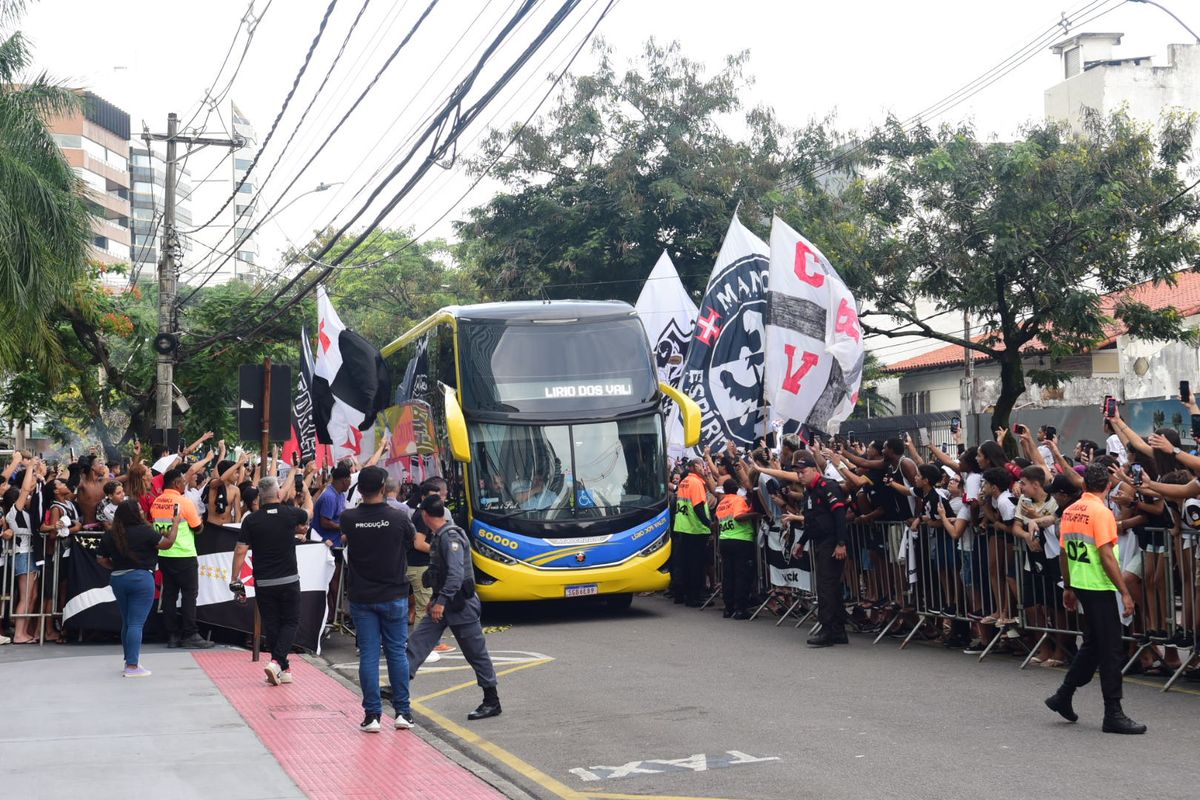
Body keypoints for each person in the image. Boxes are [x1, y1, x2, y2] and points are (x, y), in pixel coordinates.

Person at [1044, 463, 1146, 734]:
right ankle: (1113, 712)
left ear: (1084, 485)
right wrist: (1124, 591)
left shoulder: (1071, 510)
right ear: (1109, 487)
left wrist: (1068, 586)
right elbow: (1106, 556)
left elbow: (1064, 551)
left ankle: (1063, 695)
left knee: (1093, 644)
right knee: (1111, 650)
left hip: (1080, 582)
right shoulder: (1102, 513)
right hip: (1100, 586)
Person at [408, 494, 501, 721]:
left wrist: (441, 601)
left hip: (460, 605)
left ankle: (492, 700)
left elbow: (456, 575)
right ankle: (398, 686)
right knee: (417, 642)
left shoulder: (451, 537)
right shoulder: (439, 536)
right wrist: (435, 599)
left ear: (426, 515)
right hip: (444, 602)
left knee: (475, 653)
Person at [340, 466, 417, 733]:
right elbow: (411, 541)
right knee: (397, 653)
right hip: (394, 593)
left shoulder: (348, 518)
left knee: (369, 656)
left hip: (362, 596)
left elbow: (346, 539)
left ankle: (372, 715)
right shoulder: (398, 517)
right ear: (384, 488)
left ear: (359, 489)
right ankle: (403, 713)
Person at [231, 472, 315, 686]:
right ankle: (277, 661)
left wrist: (235, 578)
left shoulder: (251, 520)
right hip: (288, 579)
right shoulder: (290, 514)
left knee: (272, 623)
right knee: (291, 621)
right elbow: (309, 513)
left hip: (264, 582)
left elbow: (240, 550)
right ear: (278, 493)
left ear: (259, 497)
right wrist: (305, 491)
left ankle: (283, 668)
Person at [96, 500, 181, 677]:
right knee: (136, 623)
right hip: (141, 578)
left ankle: (129, 660)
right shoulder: (145, 531)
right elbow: (167, 544)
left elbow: (101, 559)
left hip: (118, 578)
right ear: (135, 514)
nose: (143, 512)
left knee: (127, 621)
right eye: (141, 510)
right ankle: (133, 666)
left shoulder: (112, 533)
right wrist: (175, 525)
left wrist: (116, 567)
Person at [792, 454, 851, 647]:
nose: (800, 476)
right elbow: (812, 521)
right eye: (798, 473)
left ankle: (827, 629)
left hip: (831, 542)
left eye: (803, 472)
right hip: (819, 540)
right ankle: (838, 630)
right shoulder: (809, 491)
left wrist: (841, 543)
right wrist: (801, 542)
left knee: (826, 587)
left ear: (813, 470)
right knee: (830, 587)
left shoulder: (828, 486)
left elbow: (840, 515)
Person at [151, 468, 213, 649]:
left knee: (169, 595)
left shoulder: (157, 502)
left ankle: (172, 635)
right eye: (182, 482)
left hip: (164, 554)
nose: (183, 484)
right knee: (188, 596)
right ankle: (190, 634)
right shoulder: (183, 502)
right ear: (176, 483)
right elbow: (197, 527)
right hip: (184, 554)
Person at [672, 458, 715, 607]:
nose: (704, 468)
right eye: (701, 465)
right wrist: (709, 525)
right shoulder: (696, 482)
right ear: (694, 467)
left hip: (684, 527)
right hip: (695, 528)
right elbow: (697, 507)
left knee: (687, 564)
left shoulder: (684, 481)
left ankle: (687, 595)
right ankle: (696, 597)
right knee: (697, 565)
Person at [714, 477, 758, 619]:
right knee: (741, 576)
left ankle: (729, 608)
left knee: (728, 576)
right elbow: (739, 516)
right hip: (741, 540)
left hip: (725, 540)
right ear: (737, 489)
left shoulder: (721, 503)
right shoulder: (738, 500)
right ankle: (741, 609)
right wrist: (756, 515)